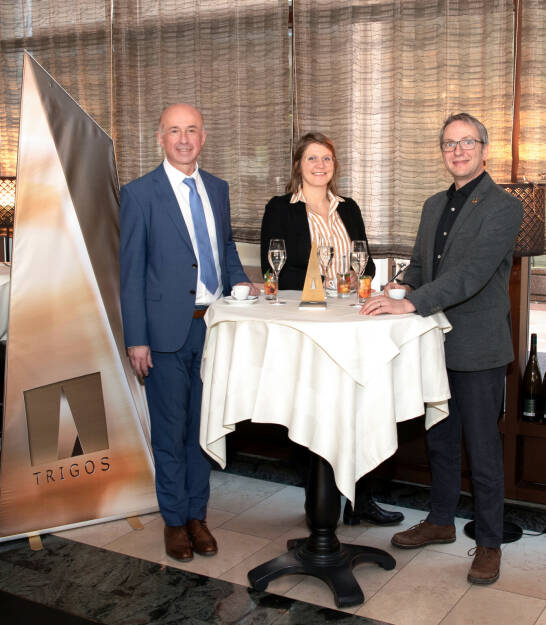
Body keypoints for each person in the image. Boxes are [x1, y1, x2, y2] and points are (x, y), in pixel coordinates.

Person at [361, 113, 523, 584]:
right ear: (443, 153)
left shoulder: (504, 207)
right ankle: (439, 521)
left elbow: (471, 275)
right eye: (450, 144)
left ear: (484, 149)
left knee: (483, 450)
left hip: (478, 347)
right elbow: (420, 265)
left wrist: (410, 302)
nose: (458, 151)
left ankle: (488, 543)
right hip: (433, 343)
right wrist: (394, 288)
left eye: (467, 142)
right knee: (440, 438)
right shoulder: (433, 204)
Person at [120, 103, 257, 562]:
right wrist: (136, 338)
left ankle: (198, 516)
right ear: (160, 137)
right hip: (162, 335)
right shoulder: (139, 194)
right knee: (170, 431)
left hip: (213, 329)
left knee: (204, 428)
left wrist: (242, 284)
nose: (184, 139)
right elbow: (131, 273)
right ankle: (175, 521)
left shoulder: (218, 188)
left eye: (192, 130)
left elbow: (225, 248)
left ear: (203, 136)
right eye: (174, 131)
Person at [261, 131, 404, 526]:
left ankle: (362, 501)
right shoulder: (280, 208)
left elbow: (366, 263)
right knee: (313, 410)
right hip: (308, 325)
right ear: (298, 165)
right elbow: (275, 266)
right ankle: (318, 502)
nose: (320, 165)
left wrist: (354, 277)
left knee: (359, 406)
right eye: (312, 158)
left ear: (334, 165)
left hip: (350, 323)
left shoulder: (349, 207)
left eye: (326, 158)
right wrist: (322, 281)